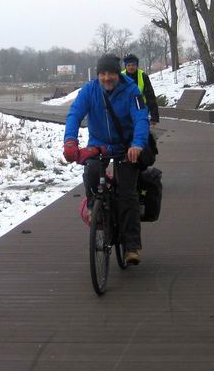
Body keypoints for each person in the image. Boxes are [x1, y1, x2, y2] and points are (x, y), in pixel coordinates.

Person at [63, 53, 150, 265]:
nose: (106, 78)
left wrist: (137, 144)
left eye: (110, 73)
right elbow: (75, 114)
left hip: (126, 147)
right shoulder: (89, 90)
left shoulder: (131, 91)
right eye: (102, 73)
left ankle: (131, 246)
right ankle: (94, 206)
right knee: (91, 171)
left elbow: (140, 118)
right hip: (98, 145)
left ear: (117, 73)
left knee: (127, 194)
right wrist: (70, 141)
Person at [122, 53, 159, 124]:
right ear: (125, 66)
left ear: (137, 65)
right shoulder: (121, 76)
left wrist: (154, 116)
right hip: (125, 109)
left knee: (141, 127)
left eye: (133, 65)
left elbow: (150, 96)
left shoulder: (143, 76)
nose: (131, 67)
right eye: (128, 65)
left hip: (141, 107)